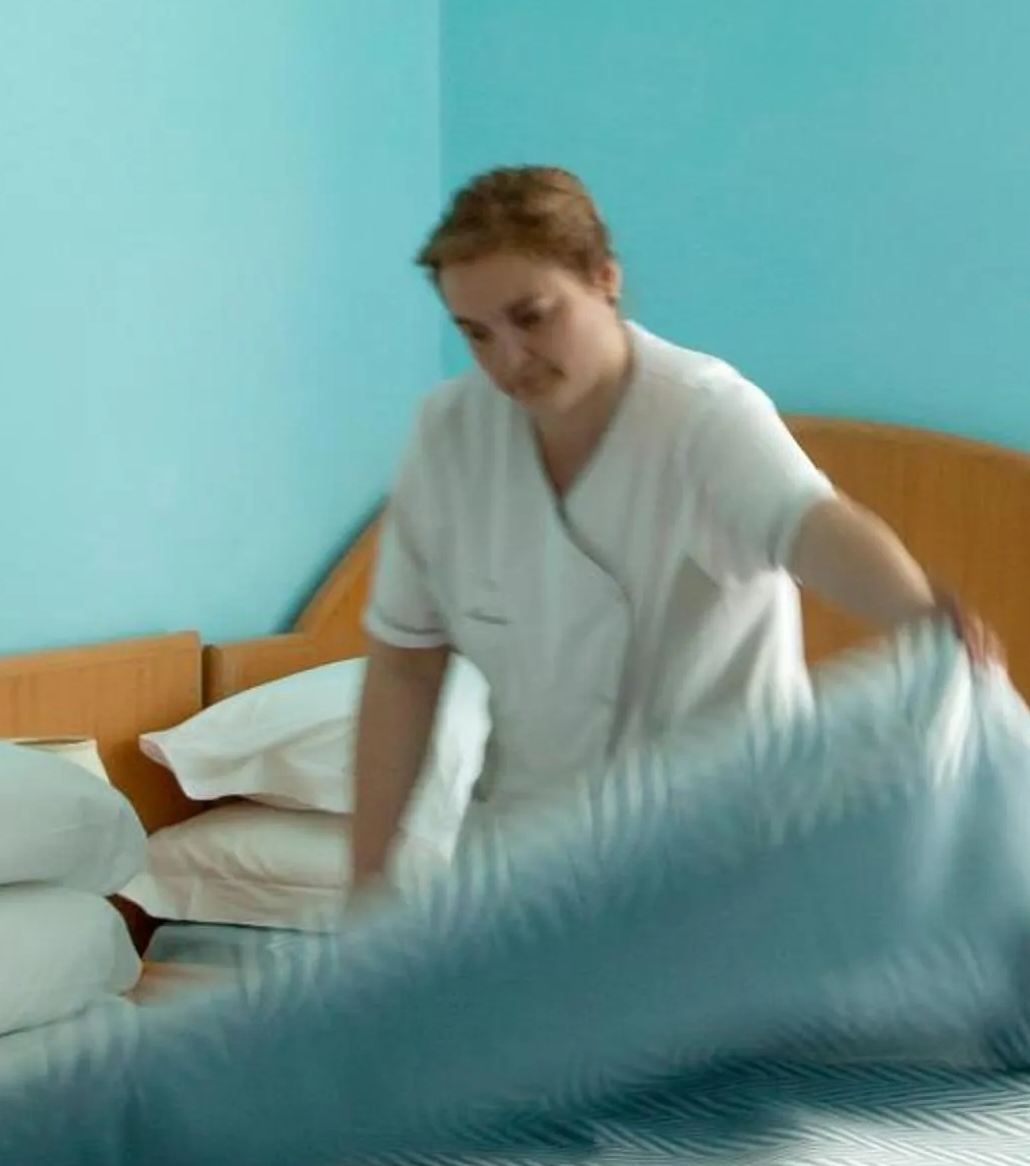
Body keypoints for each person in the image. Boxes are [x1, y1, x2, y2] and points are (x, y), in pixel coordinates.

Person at [351, 166, 997, 883]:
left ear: (604, 278)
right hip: (530, 859)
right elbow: (404, 665)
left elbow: (812, 524)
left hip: (723, 852)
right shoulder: (449, 435)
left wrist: (913, 610)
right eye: (476, 334)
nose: (508, 360)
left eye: (531, 317)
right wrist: (368, 878)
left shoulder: (703, 413)